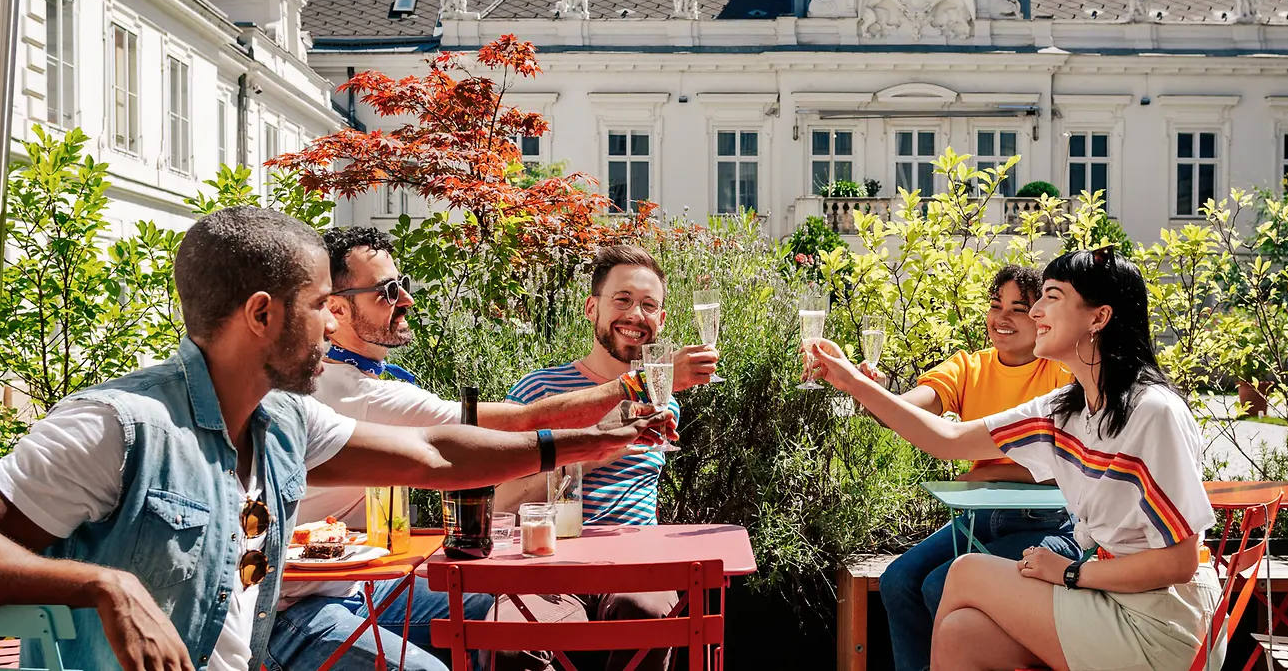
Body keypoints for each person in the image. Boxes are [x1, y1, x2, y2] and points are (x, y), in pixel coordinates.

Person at [0, 207, 668, 671]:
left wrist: (586, 446)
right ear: (262, 315)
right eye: (320, 304)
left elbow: (436, 453)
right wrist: (105, 586)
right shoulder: (119, 425)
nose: (333, 323)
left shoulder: (285, 421)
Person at [274, 227, 714, 671]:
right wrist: (614, 422)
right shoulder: (354, 395)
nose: (407, 298)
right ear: (336, 308)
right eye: (389, 290)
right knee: (506, 635)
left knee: (607, 611)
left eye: (404, 284)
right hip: (300, 601)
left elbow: (436, 459)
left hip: (362, 579)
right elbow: (508, 432)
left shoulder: (355, 387)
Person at [805, 248, 1218, 671]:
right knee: (960, 633)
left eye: (1051, 297)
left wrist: (1070, 573)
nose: (1036, 310)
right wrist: (852, 382)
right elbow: (948, 438)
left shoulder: (1152, 411)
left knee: (965, 573)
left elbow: (1179, 563)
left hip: (1163, 625)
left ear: (1099, 318)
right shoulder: (1067, 410)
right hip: (1112, 598)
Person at [487, 244, 711, 671]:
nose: (635, 315)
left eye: (649, 305)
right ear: (592, 308)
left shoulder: (664, 397)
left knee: (643, 615)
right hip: (546, 565)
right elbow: (498, 503)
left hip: (633, 562)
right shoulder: (538, 393)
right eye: (622, 300)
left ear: (661, 321)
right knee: (508, 642)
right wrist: (601, 446)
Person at [861, 265, 1079, 671]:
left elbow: (1074, 467)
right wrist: (871, 392)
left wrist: (993, 474)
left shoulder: (1062, 373)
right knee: (897, 581)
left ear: (1040, 318)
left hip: (1049, 526)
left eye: (1018, 308)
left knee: (938, 585)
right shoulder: (969, 367)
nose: (1002, 318)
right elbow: (908, 410)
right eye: (996, 305)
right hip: (980, 518)